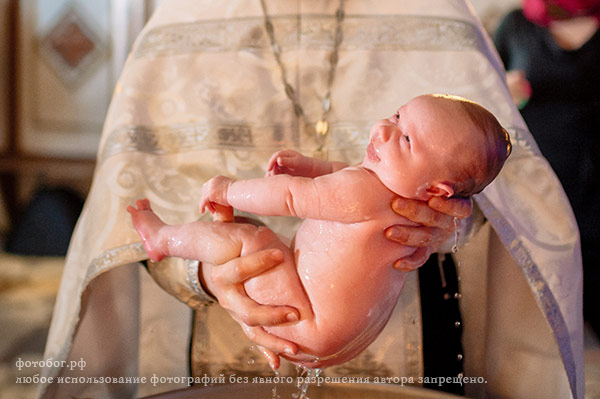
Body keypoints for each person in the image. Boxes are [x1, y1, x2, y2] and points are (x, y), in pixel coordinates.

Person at [37, 1, 583, 399]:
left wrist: (450, 223)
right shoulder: (180, 20)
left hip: (410, 360)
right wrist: (204, 274)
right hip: (212, 352)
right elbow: (120, 214)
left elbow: (517, 202)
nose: (388, 129)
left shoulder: (443, 16)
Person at [126, 94, 512, 370]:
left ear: (436, 192)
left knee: (252, 239)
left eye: (407, 138)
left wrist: (227, 190)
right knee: (251, 240)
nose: (382, 131)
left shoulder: (366, 193)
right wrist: (311, 165)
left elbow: (293, 198)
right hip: (337, 339)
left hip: (302, 317)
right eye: (395, 117)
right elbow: (344, 177)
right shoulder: (399, 194)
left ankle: (163, 239)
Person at [494, 0, 600, 340]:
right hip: (540, 183)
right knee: (546, 319)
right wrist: (505, 94)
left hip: (596, 187)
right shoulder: (516, 25)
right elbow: (483, 99)